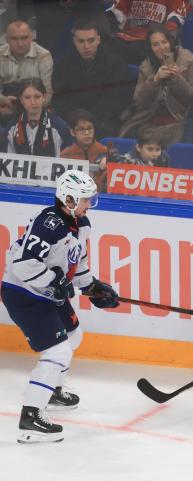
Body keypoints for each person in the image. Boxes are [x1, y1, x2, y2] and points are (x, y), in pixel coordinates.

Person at [1, 170, 120, 443]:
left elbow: (77, 263)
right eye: (85, 199)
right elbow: (23, 265)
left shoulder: (82, 223)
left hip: (46, 293)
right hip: (24, 293)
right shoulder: (49, 224)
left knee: (74, 336)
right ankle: (31, 417)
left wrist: (92, 287)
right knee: (58, 352)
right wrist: (54, 282)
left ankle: (52, 391)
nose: (89, 204)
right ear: (68, 199)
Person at [52, 19, 135, 140]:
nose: (86, 46)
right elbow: (59, 99)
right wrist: (78, 118)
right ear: (74, 41)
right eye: (81, 41)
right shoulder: (63, 65)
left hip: (104, 120)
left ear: (98, 40)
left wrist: (90, 120)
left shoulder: (116, 63)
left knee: (107, 129)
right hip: (72, 119)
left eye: (91, 40)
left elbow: (117, 99)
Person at [119, 24, 193, 146]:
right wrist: (154, 80)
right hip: (150, 117)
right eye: (156, 44)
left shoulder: (187, 59)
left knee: (171, 139)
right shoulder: (146, 66)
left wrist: (176, 79)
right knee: (129, 134)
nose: (162, 48)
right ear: (150, 48)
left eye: (164, 42)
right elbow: (140, 101)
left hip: (179, 117)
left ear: (170, 42)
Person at [106, 0, 191, 65]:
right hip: (126, 38)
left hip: (151, 41)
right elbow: (115, 14)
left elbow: (175, 20)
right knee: (107, 45)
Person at [6, 78, 71, 157]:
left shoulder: (59, 126)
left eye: (37, 97)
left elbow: (65, 158)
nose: (33, 102)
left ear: (44, 97)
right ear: (21, 100)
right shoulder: (12, 127)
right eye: (27, 97)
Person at [0, 20, 53, 108]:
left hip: (34, 104)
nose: (20, 44)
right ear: (7, 39)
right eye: (14, 39)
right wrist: (4, 102)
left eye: (24, 38)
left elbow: (47, 93)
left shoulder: (43, 56)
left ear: (31, 37)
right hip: (5, 103)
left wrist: (32, 109)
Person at [60, 109, 109, 191]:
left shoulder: (106, 153)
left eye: (89, 128)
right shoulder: (65, 155)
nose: (86, 133)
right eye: (81, 129)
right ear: (72, 132)